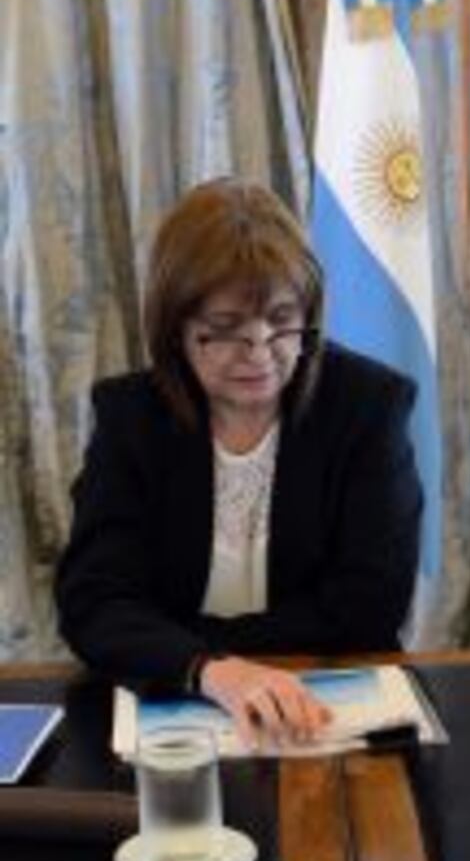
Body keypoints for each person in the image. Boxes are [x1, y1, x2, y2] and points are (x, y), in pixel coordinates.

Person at [56, 177, 422, 746]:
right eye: (224, 330)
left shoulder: (368, 406)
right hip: (179, 702)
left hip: (329, 699)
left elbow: (370, 604)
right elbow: (93, 602)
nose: (260, 352)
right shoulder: (132, 418)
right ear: (176, 330)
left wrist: (191, 641)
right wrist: (211, 670)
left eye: (282, 319)